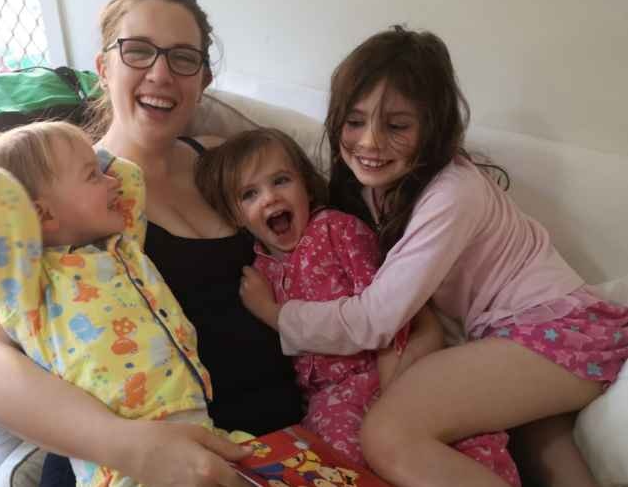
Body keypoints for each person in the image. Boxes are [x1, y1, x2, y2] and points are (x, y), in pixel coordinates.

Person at [239, 26, 628, 487]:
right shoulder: (378, 187)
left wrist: (279, 315)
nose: (369, 142)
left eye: (397, 126)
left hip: (560, 332)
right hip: (538, 336)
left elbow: (374, 319)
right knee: (546, 452)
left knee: (387, 433)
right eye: (355, 121)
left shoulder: (454, 193)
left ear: (434, 129)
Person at [0, 0, 303, 487]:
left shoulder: (226, 160)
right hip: (135, 466)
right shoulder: (66, 203)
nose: (161, 73)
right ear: (104, 67)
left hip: (270, 445)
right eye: (138, 51)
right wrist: (134, 448)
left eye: (183, 58)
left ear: (203, 79)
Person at [196, 128, 519, 485]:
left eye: (281, 180)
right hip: (329, 399)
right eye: (250, 194)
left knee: (461, 440)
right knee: (332, 460)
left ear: (305, 185)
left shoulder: (337, 231)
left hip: (387, 369)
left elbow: (390, 316)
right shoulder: (259, 274)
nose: (270, 198)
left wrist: (392, 387)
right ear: (235, 215)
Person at [0, 121, 254, 487]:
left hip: (197, 430)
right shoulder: (29, 280)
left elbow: (129, 178)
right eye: (94, 176)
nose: (110, 180)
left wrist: (93, 160)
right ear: (39, 215)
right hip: (123, 470)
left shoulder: (119, 245)